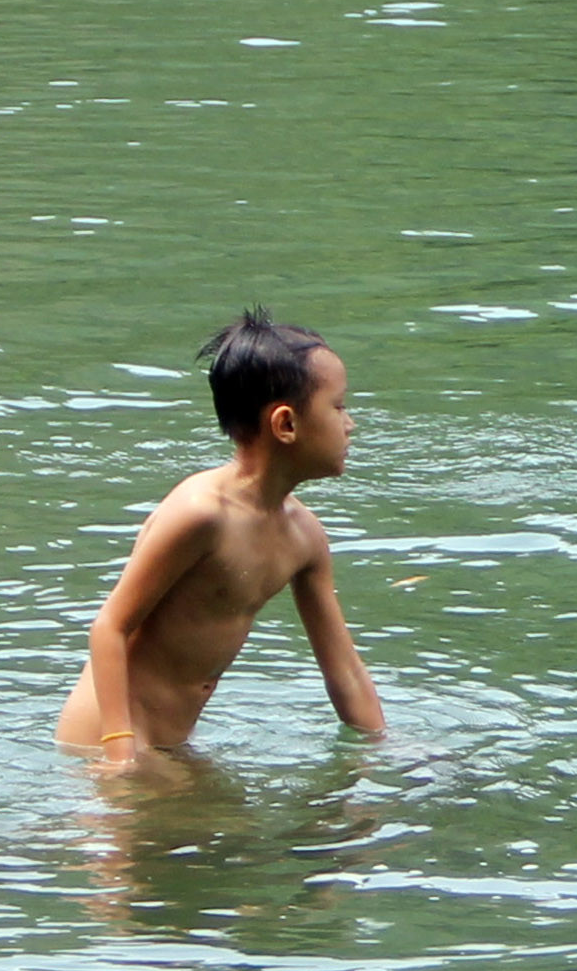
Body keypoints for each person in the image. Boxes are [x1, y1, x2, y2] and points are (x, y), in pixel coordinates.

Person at [56, 309, 384, 762]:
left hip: (171, 743)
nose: (350, 424)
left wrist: (385, 749)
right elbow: (109, 627)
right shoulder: (201, 514)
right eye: (339, 406)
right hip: (110, 738)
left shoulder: (303, 537)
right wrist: (119, 752)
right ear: (285, 424)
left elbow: (344, 670)